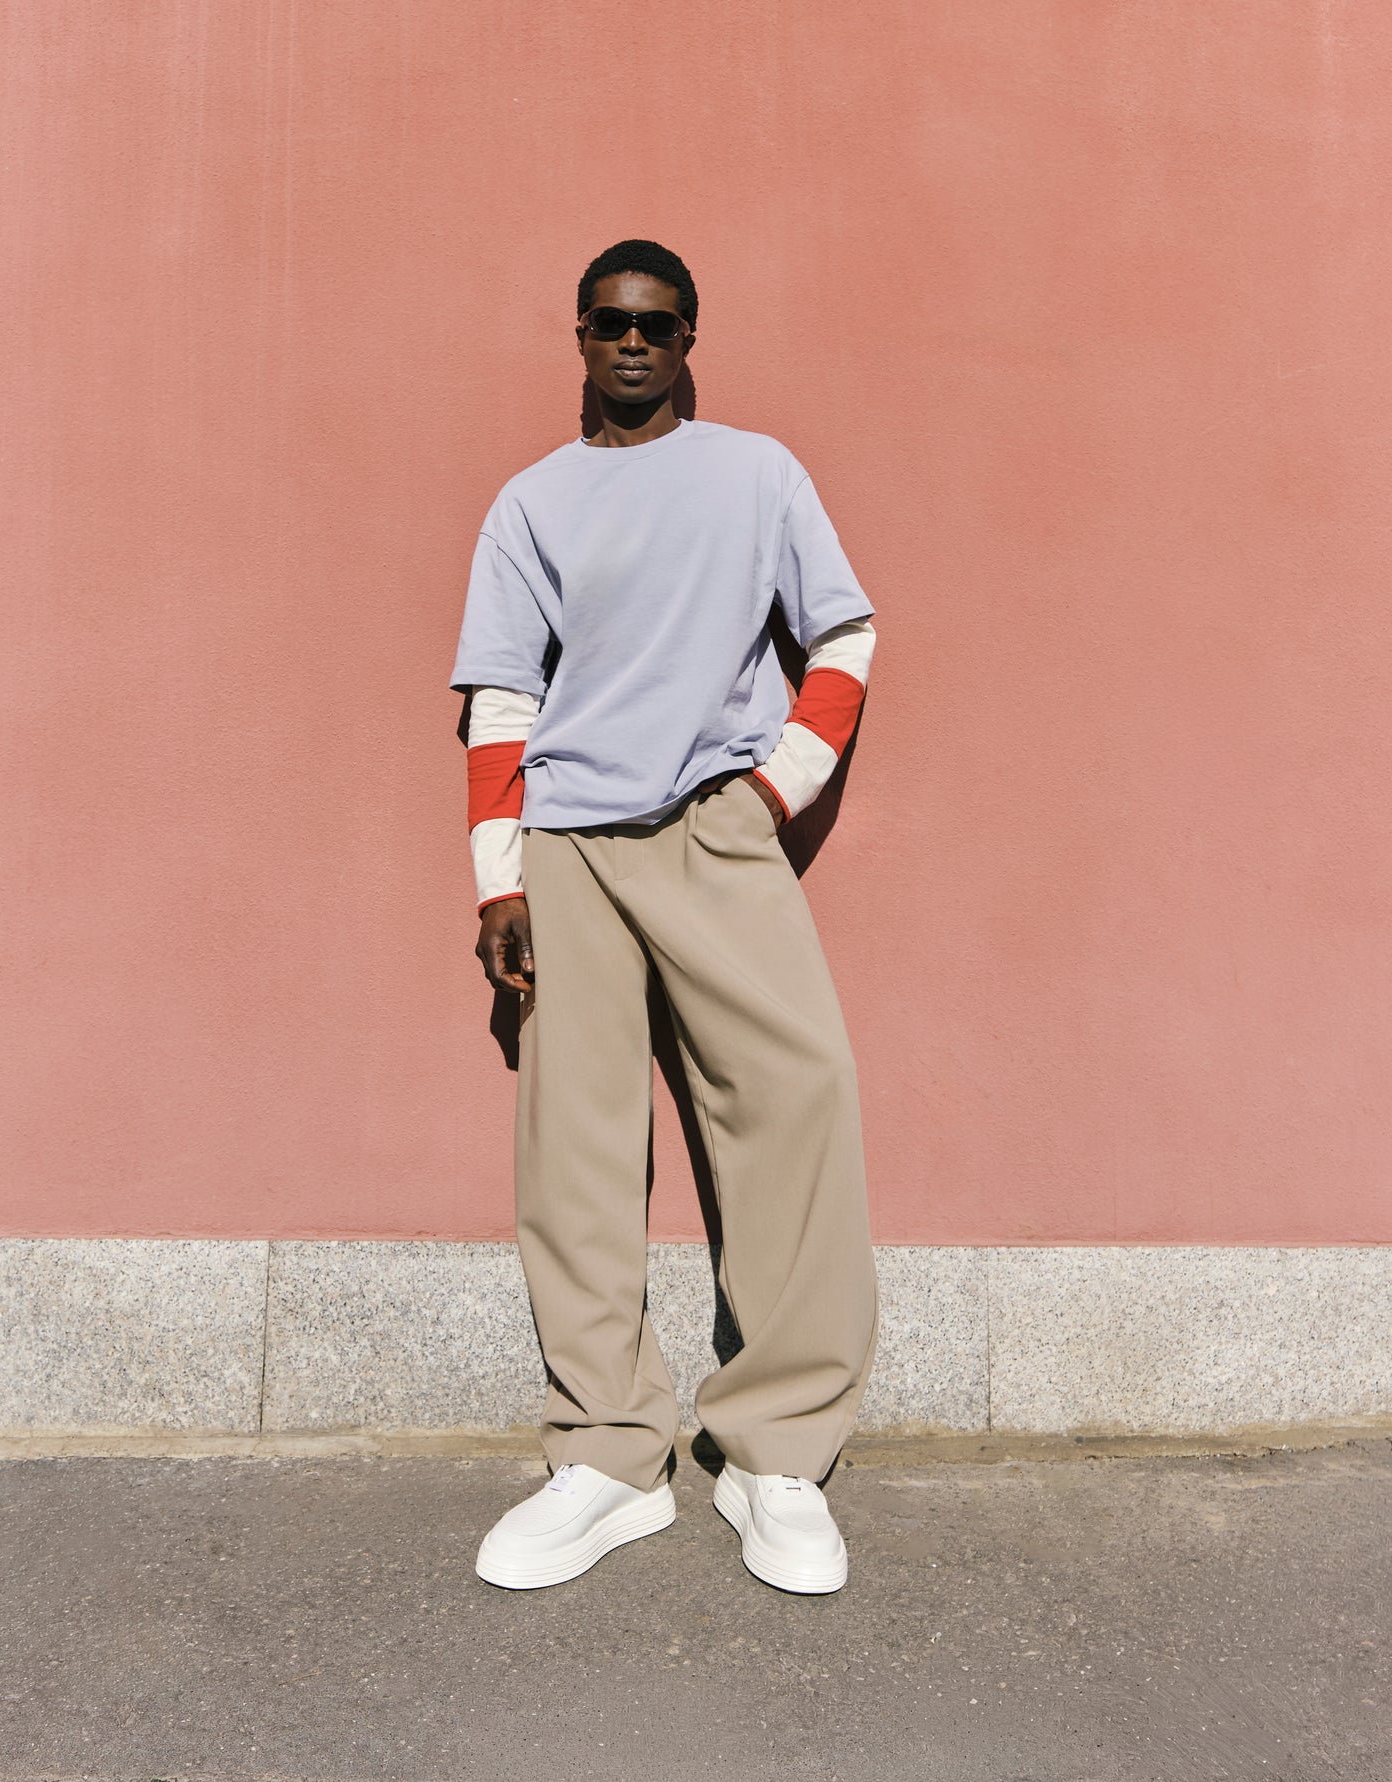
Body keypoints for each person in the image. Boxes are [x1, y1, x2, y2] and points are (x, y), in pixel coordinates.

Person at [448, 239, 879, 1595]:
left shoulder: (758, 474)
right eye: (609, 323)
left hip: (714, 828)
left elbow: (844, 637)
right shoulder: (530, 502)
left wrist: (769, 795)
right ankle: (609, 1456)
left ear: (690, 339)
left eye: (658, 325)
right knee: (575, 1143)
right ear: (579, 337)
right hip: (569, 846)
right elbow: (502, 699)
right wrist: (499, 878)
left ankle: (776, 1453)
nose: (632, 343)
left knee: (797, 1094)